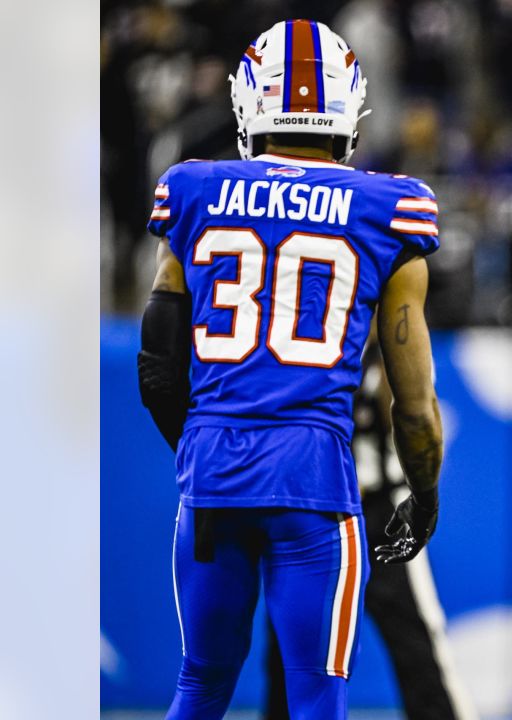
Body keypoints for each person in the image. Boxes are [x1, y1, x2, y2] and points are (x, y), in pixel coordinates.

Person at [137, 20, 444, 719]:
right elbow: (415, 405)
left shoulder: (193, 188)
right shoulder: (388, 207)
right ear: (351, 110)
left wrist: (204, 452)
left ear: (249, 103)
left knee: (200, 684)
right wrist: (423, 496)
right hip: (314, 479)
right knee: (315, 696)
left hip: (213, 472)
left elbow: (156, 367)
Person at [263, 343, 477, 720]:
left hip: (381, 514)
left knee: (417, 646)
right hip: (313, 511)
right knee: (290, 651)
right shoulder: (303, 333)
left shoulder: (393, 340)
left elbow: (414, 415)